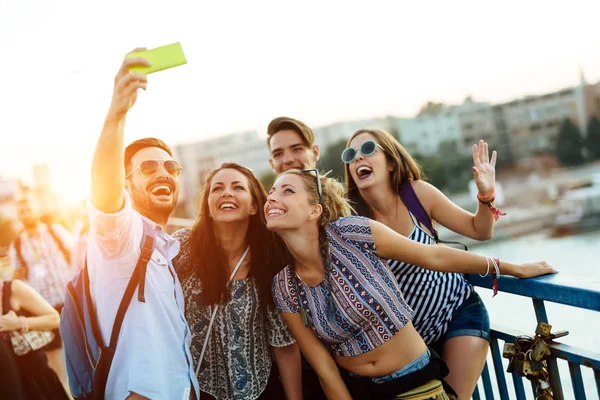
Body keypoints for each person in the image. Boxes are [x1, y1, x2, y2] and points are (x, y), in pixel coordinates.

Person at [267, 169, 555, 399]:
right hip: (360, 390)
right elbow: (324, 367)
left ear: (314, 211)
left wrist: (508, 268)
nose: (272, 197)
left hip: (415, 383)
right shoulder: (284, 287)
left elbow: (434, 255)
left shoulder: (350, 233)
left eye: (287, 190)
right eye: (270, 192)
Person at [343, 129, 501, 399]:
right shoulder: (350, 219)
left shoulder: (416, 195)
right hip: (410, 340)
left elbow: (480, 230)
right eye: (351, 155)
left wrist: (485, 195)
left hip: (458, 312)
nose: (359, 159)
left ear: (391, 162)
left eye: (368, 149)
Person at [86, 48, 199, 399]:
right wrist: (116, 114)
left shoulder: (166, 247)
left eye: (170, 167)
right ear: (126, 182)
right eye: (148, 168)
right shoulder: (121, 238)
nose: (163, 172)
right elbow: (105, 196)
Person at [172, 163, 302, 400]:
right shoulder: (182, 248)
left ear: (254, 206)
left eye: (237, 187)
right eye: (217, 188)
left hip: (259, 389)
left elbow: (284, 345)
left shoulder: (271, 260)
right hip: (197, 391)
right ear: (208, 207)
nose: (227, 193)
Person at [8, 194, 74, 391]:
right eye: (21, 211)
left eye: (28, 209)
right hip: (42, 309)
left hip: (69, 302)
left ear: (36, 209)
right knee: (54, 362)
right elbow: (17, 278)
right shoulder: (17, 245)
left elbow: (76, 257)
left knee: (82, 352)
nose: (25, 214)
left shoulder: (56, 231)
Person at [0, 279, 68, 399]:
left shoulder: (13, 289)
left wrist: (19, 323)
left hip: (35, 380)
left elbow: (55, 318)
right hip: (8, 386)